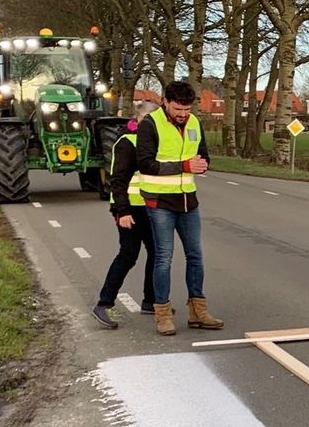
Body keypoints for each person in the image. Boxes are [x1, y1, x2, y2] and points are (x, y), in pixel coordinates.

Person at [135, 80, 222, 336]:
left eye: (187, 109)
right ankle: (162, 313)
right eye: (177, 109)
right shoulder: (150, 125)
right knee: (164, 258)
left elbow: (203, 155)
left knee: (196, 256)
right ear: (165, 102)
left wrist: (203, 164)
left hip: (188, 201)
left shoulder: (195, 123)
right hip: (160, 202)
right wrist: (184, 166)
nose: (183, 115)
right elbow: (145, 164)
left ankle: (198, 311)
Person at [92, 101, 159, 328]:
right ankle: (104, 303)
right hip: (129, 208)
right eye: (148, 120)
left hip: (151, 206)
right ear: (138, 120)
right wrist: (121, 211)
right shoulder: (127, 142)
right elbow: (117, 180)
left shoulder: (154, 142)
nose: (152, 125)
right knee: (128, 254)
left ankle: (150, 301)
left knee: (157, 253)